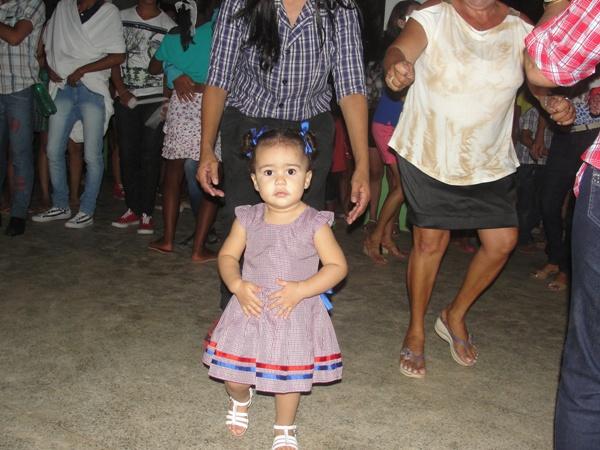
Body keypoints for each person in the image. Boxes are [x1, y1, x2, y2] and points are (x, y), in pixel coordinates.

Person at [383, 0, 574, 378]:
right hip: (431, 150)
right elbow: (399, 50)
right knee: (430, 243)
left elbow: (536, 79)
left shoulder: (520, 27)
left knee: (502, 242)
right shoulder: (434, 15)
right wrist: (396, 69)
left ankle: (453, 314)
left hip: (488, 158)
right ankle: (416, 330)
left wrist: (551, 100)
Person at [196, 0, 369, 308]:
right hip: (249, 125)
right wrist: (207, 148)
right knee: (242, 223)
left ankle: (299, 313)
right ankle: (236, 314)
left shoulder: (339, 9)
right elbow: (218, 79)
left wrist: (362, 166)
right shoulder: (240, 4)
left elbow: (351, 87)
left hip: (309, 129)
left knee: (306, 231)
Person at [202, 126, 347, 450]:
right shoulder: (248, 218)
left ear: (307, 178)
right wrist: (236, 284)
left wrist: (303, 289)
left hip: (292, 310)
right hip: (250, 306)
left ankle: (285, 425)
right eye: (269, 172)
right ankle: (241, 399)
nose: (280, 180)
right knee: (232, 377)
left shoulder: (314, 223)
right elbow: (227, 256)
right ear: (255, 181)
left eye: (290, 171)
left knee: (288, 378)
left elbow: (337, 267)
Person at [524, 0, 600, 447]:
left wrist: (556, 6)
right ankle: (559, 259)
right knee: (551, 201)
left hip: (589, 139)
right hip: (570, 137)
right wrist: (548, 118)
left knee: (591, 369)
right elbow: (548, 94)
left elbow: (543, 62)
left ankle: (564, 265)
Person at [32, 0, 125, 228]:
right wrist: (49, 67)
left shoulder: (108, 11)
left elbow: (118, 55)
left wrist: (82, 70)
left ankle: (86, 210)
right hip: (63, 86)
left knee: (92, 155)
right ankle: (61, 205)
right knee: (53, 150)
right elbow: (47, 44)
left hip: (92, 89)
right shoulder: (64, 7)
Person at [147, 0, 219, 261]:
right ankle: (199, 249)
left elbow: (153, 67)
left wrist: (173, 68)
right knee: (212, 175)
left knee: (172, 175)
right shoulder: (217, 28)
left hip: (182, 103)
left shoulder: (173, 37)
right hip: (212, 103)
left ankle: (167, 239)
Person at [110, 0, 175, 235]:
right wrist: (121, 90)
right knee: (127, 153)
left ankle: (147, 211)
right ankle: (133, 208)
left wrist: (167, 101)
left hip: (155, 100)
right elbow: (113, 55)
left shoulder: (169, 25)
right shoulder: (120, 17)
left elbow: (170, 65)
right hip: (126, 98)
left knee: (150, 154)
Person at [530, 79, 600, 291]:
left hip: (592, 135)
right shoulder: (564, 68)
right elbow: (548, 102)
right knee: (548, 201)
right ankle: (554, 257)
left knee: (577, 207)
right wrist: (540, 135)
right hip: (563, 136)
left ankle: (566, 269)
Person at [363, 0, 418, 264]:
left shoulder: (418, 51)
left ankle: (385, 237)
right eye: (413, 16)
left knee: (399, 185)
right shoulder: (397, 51)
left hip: (401, 126)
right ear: (399, 21)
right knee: (404, 185)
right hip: (387, 124)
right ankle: (374, 238)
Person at [0, 0, 45, 236]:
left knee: (20, 155)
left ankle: (18, 213)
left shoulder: (32, 3)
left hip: (19, 90)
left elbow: (15, 37)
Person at [515, 98, 552, 253]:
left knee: (535, 203)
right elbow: (524, 137)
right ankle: (522, 239)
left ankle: (526, 235)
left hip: (541, 165)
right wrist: (541, 150)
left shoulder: (552, 117)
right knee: (525, 203)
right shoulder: (533, 113)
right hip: (528, 164)